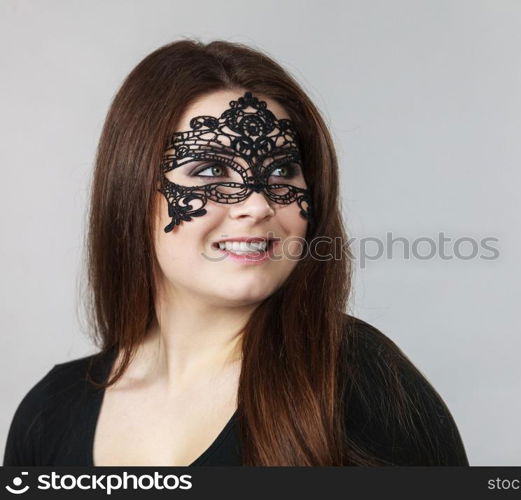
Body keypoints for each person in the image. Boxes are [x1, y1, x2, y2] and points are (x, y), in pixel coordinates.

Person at [2, 39, 469, 466]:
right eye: (209, 169)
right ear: (132, 193)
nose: (259, 205)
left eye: (283, 168)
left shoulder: (357, 381)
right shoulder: (50, 411)